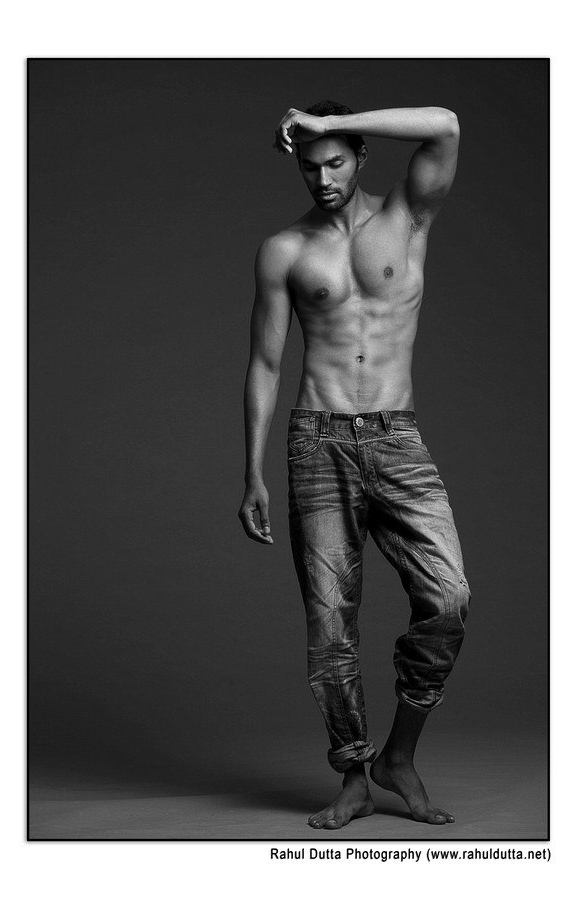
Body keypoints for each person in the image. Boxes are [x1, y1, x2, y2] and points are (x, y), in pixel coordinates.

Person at [238, 101, 471, 830]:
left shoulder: (407, 217)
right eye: (310, 166)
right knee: (329, 624)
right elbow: (266, 363)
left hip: (397, 437)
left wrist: (317, 120)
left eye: (335, 160)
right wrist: (252, 472)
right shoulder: (284, 249)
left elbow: (446, 124)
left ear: (361, 156)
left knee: (448, 599)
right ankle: (354, 777)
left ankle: (400, 755)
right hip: (317, 441)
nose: (323, 178)